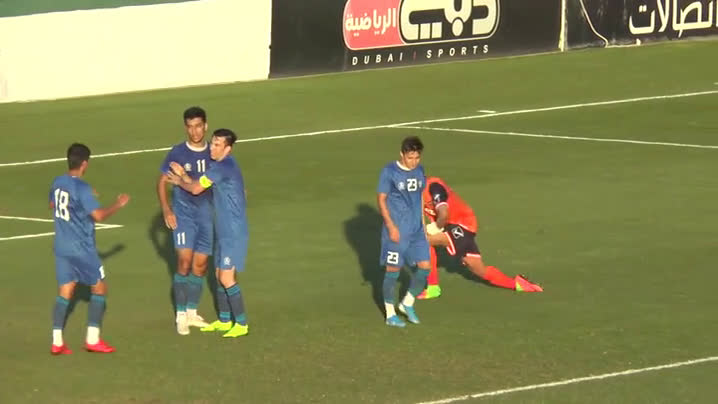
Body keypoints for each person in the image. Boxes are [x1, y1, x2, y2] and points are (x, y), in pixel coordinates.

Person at [166, 129, 249, 338]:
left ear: (228, 149)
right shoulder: (219, 167)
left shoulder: (223, 167)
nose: (212, 147)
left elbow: (195, 190)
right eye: (212, 143)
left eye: (217, 145)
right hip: (223, 229)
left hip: (233, 232)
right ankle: (224, 320)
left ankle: (241, 324)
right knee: (219, 275)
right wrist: (184, 176)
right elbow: (200, 186)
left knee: (227, 277)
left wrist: (179, 181)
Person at [49, 143, 130, 355]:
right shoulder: (82, 188)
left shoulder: (58, 182)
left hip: (61, 246)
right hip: (82, 248)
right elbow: (98, 216)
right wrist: (118, 204)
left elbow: (53, 205)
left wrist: (82, 199)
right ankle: (92, 340)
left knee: (65, 291)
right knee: (100, 288)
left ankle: (57, 342)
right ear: (85, 163)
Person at [418, 176, 543, 299]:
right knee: (477, 268)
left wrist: (435, 227)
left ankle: (432, 287)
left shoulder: (434, 188)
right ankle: (517, 284)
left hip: (462, 224)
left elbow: (443, 214)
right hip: (450, 226)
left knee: (424, 241)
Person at [157, 106, 213, 335]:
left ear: (205, 126)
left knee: (201, 265)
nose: (194, 131)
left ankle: (192, 312)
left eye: (198, 126)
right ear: (185, 128)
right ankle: (180, 316)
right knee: (184, 262)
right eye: (190, 127)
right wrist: (166, 210)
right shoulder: (178, 152)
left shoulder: (213, 153)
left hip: (206, 216)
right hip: (183, 215)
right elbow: (162, 182)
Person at [376, 136, 432, 327]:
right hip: (397, 231)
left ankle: (407, 303)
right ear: (401, 154)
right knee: (393, 271)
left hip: (416, 230)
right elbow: (381, 199)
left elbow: (420, 197)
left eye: (417, 157)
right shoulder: (389, 171)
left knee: (425, 268)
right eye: (410, 157)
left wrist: (423, 225)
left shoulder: (420, 170)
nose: (414, 162)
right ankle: (390, 314)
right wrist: (391, 227)